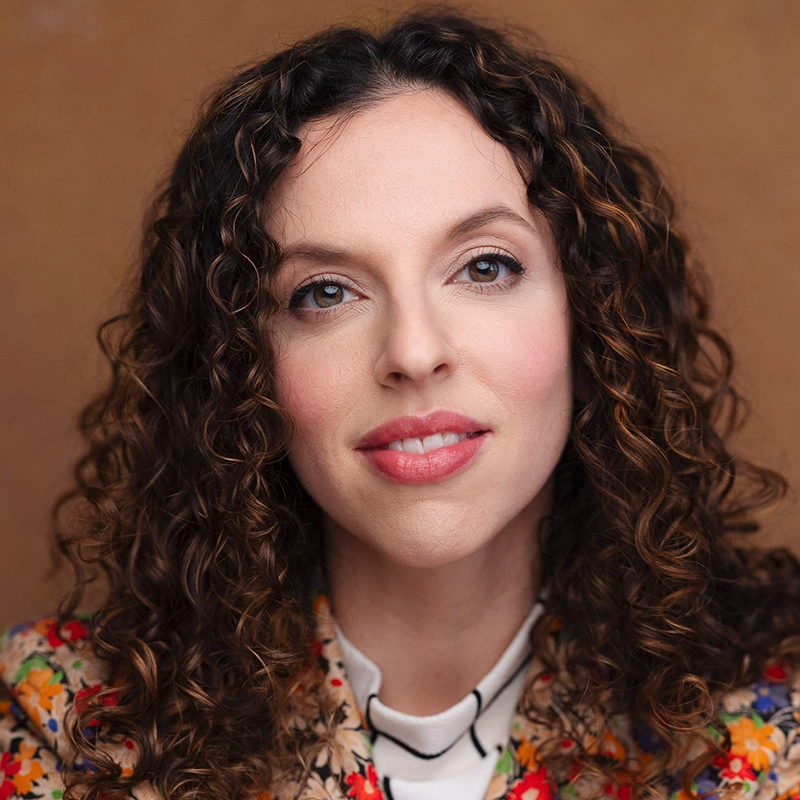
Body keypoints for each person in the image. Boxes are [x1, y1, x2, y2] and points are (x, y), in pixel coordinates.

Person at [1, 10, 798, 800]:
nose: (414, 353)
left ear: (591, 313)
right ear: (237, 367)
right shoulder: (67, 734)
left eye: (485, 268)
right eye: (324, 292)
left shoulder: (770, 739)